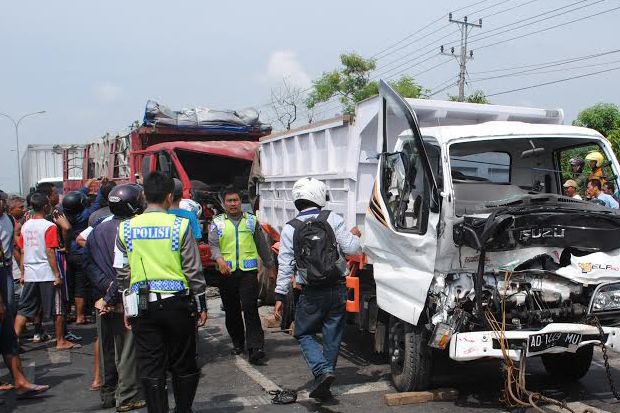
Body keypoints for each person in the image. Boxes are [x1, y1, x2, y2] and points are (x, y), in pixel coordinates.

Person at [114, 171, 208, 413]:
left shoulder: (125, 228)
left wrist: (127, 305)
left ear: (144, 196)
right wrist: (201, 303)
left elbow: (122, 272)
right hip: (177, 303)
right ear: (169, 196)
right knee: (183, 361)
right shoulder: (180, 225)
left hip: (142, 306)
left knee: (151, 364)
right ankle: (183, 409)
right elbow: (192, 268)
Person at [274, 177, 362, 400]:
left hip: (311, 292)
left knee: (303, 332)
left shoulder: (290, 228)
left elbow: (285, 265)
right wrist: (354, 235)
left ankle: (322, 373)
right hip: (337, 287)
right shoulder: (332, 219)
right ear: (319, 196)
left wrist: (280, 295)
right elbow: (353, 248)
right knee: (332, 336)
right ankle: (326, 379)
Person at [84, 184, 146, 412]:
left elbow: (88, 263)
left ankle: (108, 393)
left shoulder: (98, 229)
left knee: (108, 347)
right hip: (125, 295)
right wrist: (113, 292)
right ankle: (128, 396)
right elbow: (127, 271)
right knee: (128, 349)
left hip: (103, 298)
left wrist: (105, 291)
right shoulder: (134, 229)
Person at [208, 188, 275, 363]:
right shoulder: (217, 222)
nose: (232, 204)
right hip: (226, 273)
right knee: (232, 311)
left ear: (240, 202)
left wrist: (270, 267)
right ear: (224, 203)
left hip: (248, 273)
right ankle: (238, 343)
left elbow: (262, 246)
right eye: (229, 201)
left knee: (250, 309)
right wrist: (219, 259)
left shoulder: (251, 221)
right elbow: (213, 245)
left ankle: (256, 347)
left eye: (235, 200)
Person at [0, 189, 49, 398]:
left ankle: (19, 380)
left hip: (5, 272)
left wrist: (20, 268)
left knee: (7, 329)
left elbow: (15, 244)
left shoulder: (9, 220)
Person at [14, 193, 79, 350]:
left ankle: (12, 342)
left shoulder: (26, 226)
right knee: (58, 308)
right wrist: (57, 274)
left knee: (24, 309)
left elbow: (22, 251)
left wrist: (22, 273)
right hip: (46, 273)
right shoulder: (48, 226)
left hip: (30, 273)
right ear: (45, 207)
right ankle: (60, 341)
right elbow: (50, 252)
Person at [63, 183, 104, 324]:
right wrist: (100, 189)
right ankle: (81, 316)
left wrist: (85, 187)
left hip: (69, 252)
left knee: (70, 284)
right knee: (82, 285)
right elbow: (98, 203)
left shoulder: (63, 214)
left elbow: (72, 199)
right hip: (81, 253)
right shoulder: (86, 214)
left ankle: (69, 312)